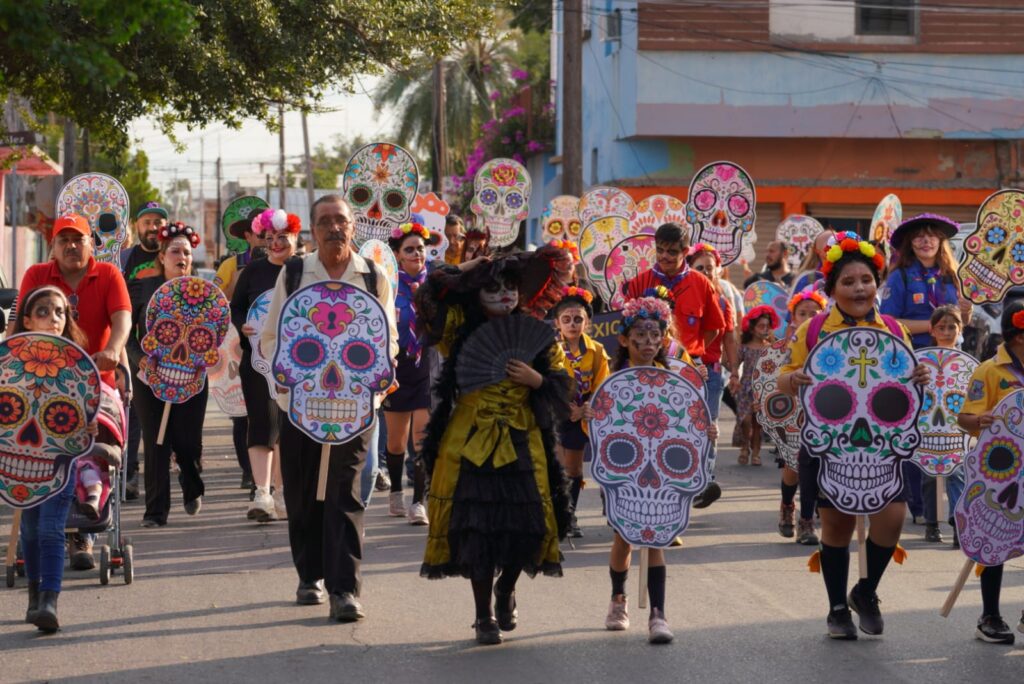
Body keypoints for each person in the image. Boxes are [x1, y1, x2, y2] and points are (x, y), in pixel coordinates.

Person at [778, 232, 930, 640]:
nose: (859, 287)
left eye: (866, 279)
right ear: (832, 289)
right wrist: (793, 378)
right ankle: (837, 609)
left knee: (893, 517)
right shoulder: (812, 330)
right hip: (831, 444)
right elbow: (781, 381)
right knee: (838, 527)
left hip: (883, 445)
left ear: (877, 283)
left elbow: (909, 385)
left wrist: (921, 376)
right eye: (848, 282)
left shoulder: (896, 328)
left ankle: (866, 591)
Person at [415, 252, 572, 646]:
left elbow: (563, 384)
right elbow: (428, 293)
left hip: (523, 440)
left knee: (525, 526)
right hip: (469, 440)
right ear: (476, 294)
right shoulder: (458, 328)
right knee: (476, 528)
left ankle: (506, 589)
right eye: (493, 287)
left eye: (510, 287)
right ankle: (483, 615)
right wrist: (471, 268)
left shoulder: (538, 334)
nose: (504, 294)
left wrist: (537, 380)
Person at [260, 195, 398, 622]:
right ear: (312, 231)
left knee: (346, 494)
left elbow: (386, 341)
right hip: (300, 406)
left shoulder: (374, 277)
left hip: (355, 408)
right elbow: (273, 336)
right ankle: (309, 576)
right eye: (325, 222)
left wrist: (373, 384)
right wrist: (289, 383)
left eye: (341, 220)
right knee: (302, 495)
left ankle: (344, 589)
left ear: (354, 227)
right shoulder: (295, 273)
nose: (334, 228)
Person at [18, 213, 131, 571]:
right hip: (41, 384)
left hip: (96, 385)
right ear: (53, 246)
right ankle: (36, 535)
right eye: (63, 240)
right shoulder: (37, 275)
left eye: (78, 239)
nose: (71, 246)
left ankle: (84, 526)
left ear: (91, 244)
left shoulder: (109, 274)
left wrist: (113, 350)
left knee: (92, 441)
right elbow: (18, 324)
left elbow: (122, 318)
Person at [603, 295, 717, 645]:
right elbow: (603, 421)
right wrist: (590, 417)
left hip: (663, 471)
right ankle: (618, 597)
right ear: (624, 339)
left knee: (657, 537)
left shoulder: (675, 380)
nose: (649, 343)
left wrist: (705, 430)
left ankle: (658, 614)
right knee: (624, 537)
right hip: (627, 469)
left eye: (657, 336)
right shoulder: (614, 379)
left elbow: (686, 422)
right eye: (641, 335)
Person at [9, 286, 99, 632]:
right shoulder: (9, 363)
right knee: (30, 531)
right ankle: (34, 594)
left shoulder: (78, 364)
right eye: (44, 312)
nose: (53, 319)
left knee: (50, 529)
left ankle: (49, 600)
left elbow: (88, 407)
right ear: (28, 319)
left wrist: (89, 422)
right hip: (19, 462)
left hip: (62, 459)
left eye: (60, 312)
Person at [881, 213, 973, 537]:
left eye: (932, 236)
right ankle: (921, 508)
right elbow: (890, 322)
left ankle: (953, 511)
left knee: (950, 433)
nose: (925, 241)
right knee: (918, 434)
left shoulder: (951, 276)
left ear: (941, 242)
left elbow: (964, 319)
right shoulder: (900, 277)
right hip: (914, 363)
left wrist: (965, 310)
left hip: (951, 364)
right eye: (919, 236)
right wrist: (934, 325)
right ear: (910, 243)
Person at [127, 222, 208, 527]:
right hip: (151, 376)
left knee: (188, 442)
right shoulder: (141, 288)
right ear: (161, 256)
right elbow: (127, 334)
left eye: (187, 251)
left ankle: (191, 481)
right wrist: (141, 360)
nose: (182, 256)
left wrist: (202, 359)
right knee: (156, 440)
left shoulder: (205, 294)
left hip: (192, 376)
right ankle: (155, 511)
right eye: (175, 250)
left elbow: (216, 333)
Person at [956, 300, 1024, 645]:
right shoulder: (989, 371)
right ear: (1016, 336)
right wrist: (979, 420)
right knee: (996, 539)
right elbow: (965, 418)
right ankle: (990, 615)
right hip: (1002, 470)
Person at [232, 209, 300, 522]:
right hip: (258, 362)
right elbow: (236, 310)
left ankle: (284, 491)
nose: (275, 243)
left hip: (301, 364)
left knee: (289, 426)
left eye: (282, 237)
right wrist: (243, 325)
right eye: (269, 238)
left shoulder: (306, 270)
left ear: (296, 238)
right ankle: (262, 493)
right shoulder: (252, 272)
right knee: (261, 422)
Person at [383, 221, 439, 525]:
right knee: (395, 442)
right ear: (397, 254)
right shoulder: (387, 283)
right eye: (410, 249)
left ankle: (419, 502)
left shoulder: (437, 281)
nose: (417, 253)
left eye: (421, 248)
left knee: (421, 438)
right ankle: (395, 494)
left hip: (427, 366)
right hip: (397, 365)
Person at [119, 201, 170, 500]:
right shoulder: (125, 258)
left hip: (168, 353)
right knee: (132, 414)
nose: (152, 227)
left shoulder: (173, 255)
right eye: (147, 221)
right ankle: (129, 474)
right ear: (137, 226)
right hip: (132, 346)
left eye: (158, 222)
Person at [215, 213, 269, 491]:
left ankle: (269, 478)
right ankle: (249, 471)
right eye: (259, 232)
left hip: (271, 347)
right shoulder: (230, 265)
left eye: (269, 232)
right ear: (247, 236)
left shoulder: (287, 264)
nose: (265, 238)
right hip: (237, 345)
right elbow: (214, 299)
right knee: (241, 411)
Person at [622, 222, 725, 366]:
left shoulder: (702, 283)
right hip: (647, 364)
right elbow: (626, 325)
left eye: (671, 252)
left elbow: (713, 328)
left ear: (685, 252)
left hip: (688, 365)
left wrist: (688, 355)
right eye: (660, 250)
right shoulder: (640, 281)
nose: (664, 256)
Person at [551, 285, 609, 538]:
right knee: (556, 466)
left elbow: (603, 385)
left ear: (587, 323)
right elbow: (546, 381)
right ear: (557, 323)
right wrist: (564, 408)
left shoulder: (597, 351)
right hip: (555, 413)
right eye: (567, 320)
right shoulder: (550, 350)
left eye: (578, 319)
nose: (572, 324)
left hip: (582, 415)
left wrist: (585, 408)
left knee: (573, 469)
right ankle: (554, 515)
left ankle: (570, 514)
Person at [686, 243, 737, 508]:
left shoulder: (722, 302)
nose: (705, 272)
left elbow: (729, 338)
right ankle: (685, 479)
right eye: (699, 268)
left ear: (719, 271)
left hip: (712, 373)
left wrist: (736, 371)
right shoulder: (681, 298)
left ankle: (705, 480)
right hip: (682, 370)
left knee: (709, 427)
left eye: (710, 268)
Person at [781, 288, 828, 545]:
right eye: (803, 313)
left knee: (816, 462)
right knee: (793, 467)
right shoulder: (784, 346)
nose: (809, 317)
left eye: (815, 312)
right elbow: (772, 382)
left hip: (823, 411)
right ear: (793, 318)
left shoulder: (832, 340)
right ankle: (788, 504)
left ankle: (808, 518)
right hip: (791, 412)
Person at [924, 304, 968, 547]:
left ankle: (956, 522)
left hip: (954, 426)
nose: (948, 331)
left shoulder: (965, 362)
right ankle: (931, 522)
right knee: (929, 474)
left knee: (956, 472)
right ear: (932, 330)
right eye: (942, 327)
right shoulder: (923, 360)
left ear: (960, 329)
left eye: (952, 327)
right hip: (928, 425)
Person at [732, 305, 779, 466]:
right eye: (761, 326)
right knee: (745, 420)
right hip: (745, 389)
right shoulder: (745, 347)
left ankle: (756, 452)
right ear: (752, 328)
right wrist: (734, 377)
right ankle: (745, 446)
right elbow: (734, 363)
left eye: (767, 326)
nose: (765, 329)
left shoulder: (771, 348)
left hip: (763, 390)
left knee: (757, 424)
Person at [790, 229, 836, 296]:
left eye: (837, 243)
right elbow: (794, 304)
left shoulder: (848, 272)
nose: (835, 247)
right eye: (829, 244)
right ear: (817, 251)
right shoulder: (807, 279)